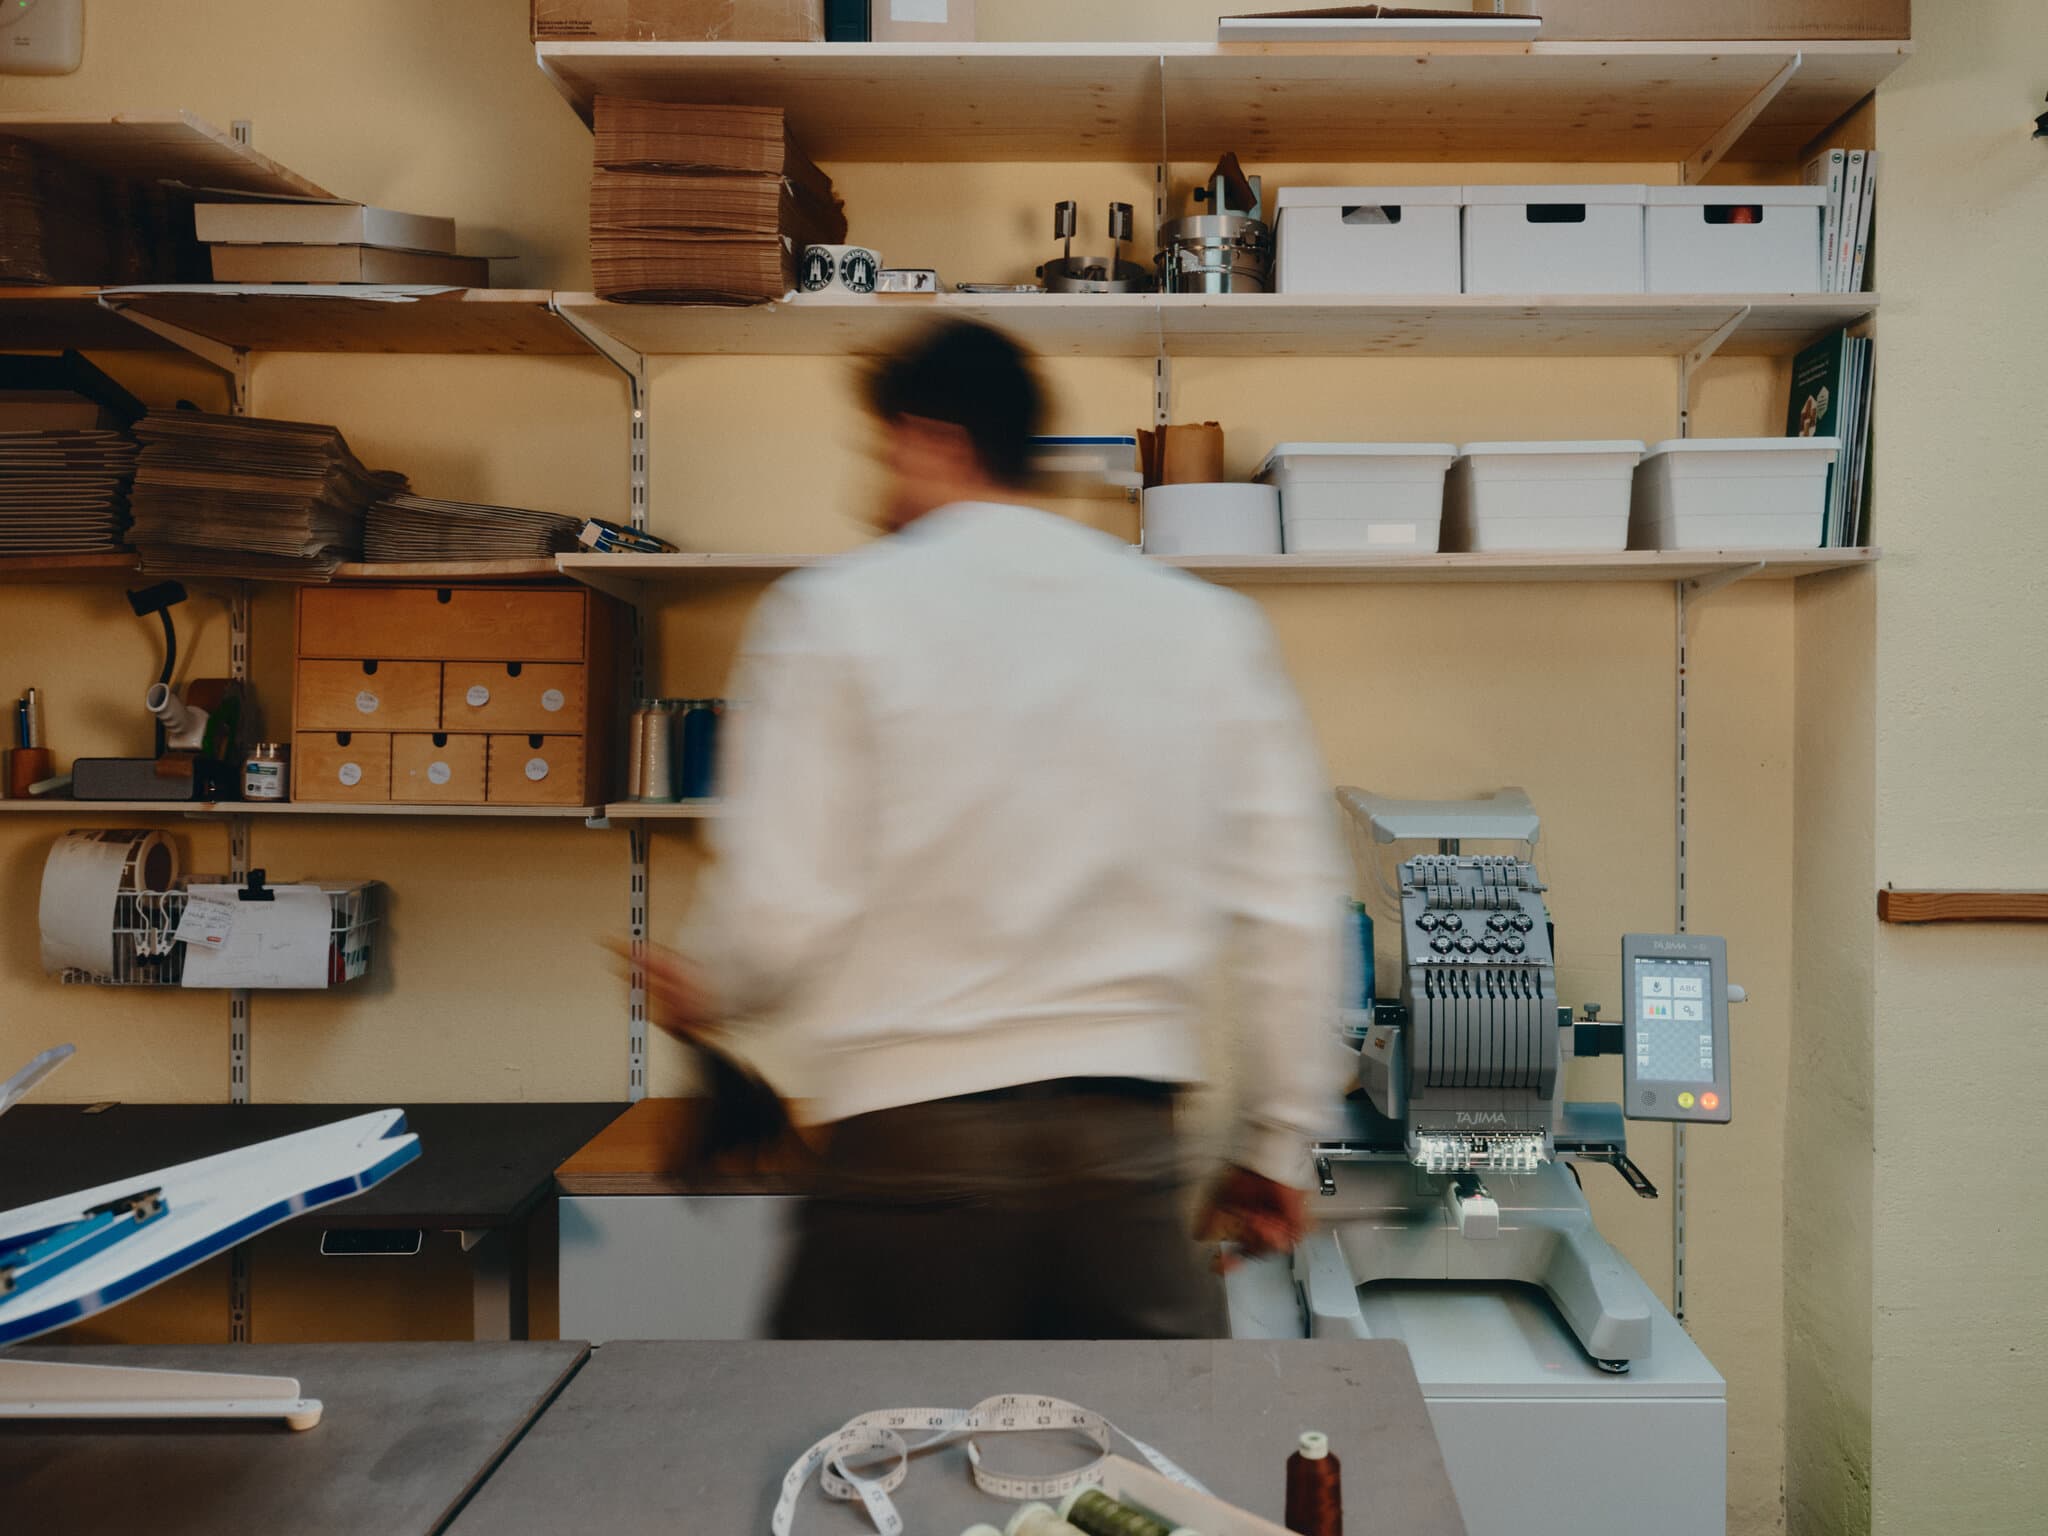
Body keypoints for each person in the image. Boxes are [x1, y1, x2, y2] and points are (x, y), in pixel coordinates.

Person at [642, 318, 1348, 1340]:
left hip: (909, 1165)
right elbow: (1294, 908)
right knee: (1139, 1487)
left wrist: (712, 986)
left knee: (866, 1482)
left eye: (881, 452)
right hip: (1126, 1170)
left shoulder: (837, 612)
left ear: (934, 437)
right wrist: (1277, 1143)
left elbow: (782, 906)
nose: (875, 493)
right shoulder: (1202, 626)